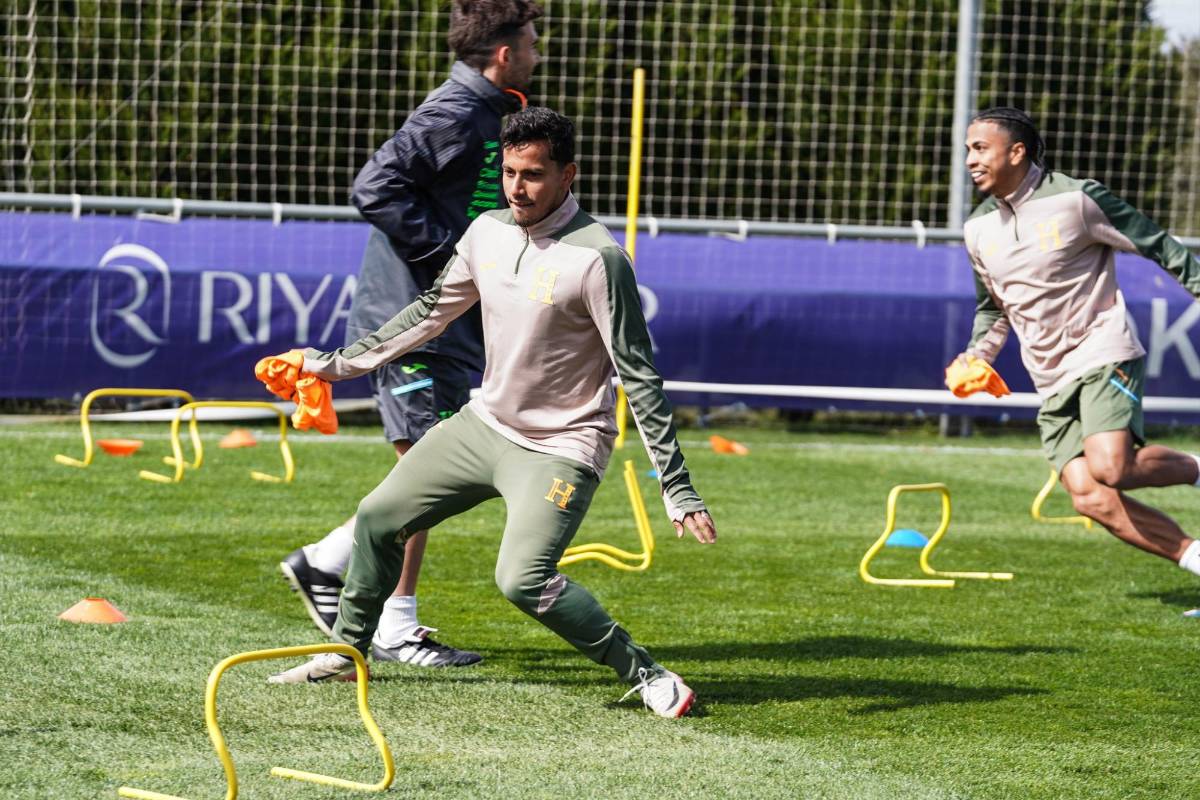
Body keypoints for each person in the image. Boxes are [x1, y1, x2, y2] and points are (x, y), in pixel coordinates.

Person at [265, 107, 717, 718]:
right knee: (376, 518)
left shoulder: (598, 259)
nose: (517, 188)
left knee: (522, 581)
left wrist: (678, 487)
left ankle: (647, 673)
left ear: (568, 176)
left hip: (562, 446)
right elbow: (430, 311)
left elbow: (638, 375)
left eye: (532, 174)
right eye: (508, 172)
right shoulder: (485, 232)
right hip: (484, 425)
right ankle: (347, 656)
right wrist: (335, 365)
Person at [278, 0, 543, 667]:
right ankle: (378, 609)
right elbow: (375, 187)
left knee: (436, 467)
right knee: (431, 465)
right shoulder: (451, 112)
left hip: (442, 321)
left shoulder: (492, 113)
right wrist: (452, 258)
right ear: (504, 52)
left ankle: (342, 569)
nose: (541, 54)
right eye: (533, 43)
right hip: (408, 322)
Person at [950, 106, 1200, 591]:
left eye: (980, 148)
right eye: (967, 150)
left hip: (1103, 350)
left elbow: (1157, 243)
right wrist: (977, 355)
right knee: (1089, 495)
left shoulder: (1077, 199)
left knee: (1111, 466)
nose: (970, 160)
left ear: (1016, 151)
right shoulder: (977, 229)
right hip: (1049, 376)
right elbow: (992, 308)